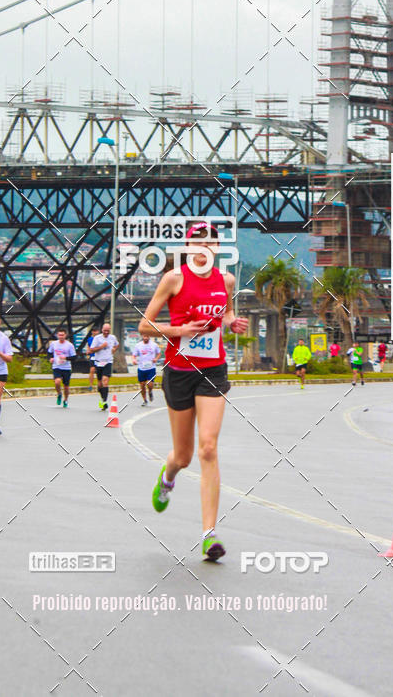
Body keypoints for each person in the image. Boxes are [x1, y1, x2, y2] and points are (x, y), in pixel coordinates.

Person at [139, 221, 248, 562]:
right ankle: (168, 476)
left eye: (210, 242)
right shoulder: (174, 279)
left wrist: (232, 322)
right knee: (183, 456)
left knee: (209, 448)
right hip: (180, 371)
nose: (204, 248)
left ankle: (208, 534)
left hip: (212, 370)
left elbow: (227, 311)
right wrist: (179, 329)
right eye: (197, 243)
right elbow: (145, 324)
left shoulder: (226, 281)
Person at [87, 322, 119, 410]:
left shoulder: (113, 338)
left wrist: (114, 350)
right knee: (100, 384)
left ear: (110, 330)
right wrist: (102, 346)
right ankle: (102, 398)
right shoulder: (97, 338)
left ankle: (104, 401)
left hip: (108, 361)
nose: (106, 332)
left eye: (108, 331)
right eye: (105, 331)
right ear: (102, 330)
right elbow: (91, 350)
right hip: (98, 362)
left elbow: (117, 344)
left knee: (105, 381)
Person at [48, 328, 76, 407]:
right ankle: (59, 394)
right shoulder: (54, 344)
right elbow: (49, 353)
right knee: (57, 382)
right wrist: (51, 358)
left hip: (66, 367)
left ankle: (66, 400)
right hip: (57, 366)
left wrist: (65, 358)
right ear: (57, 335)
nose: (61, 337)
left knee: (66, 387)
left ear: (65, 335)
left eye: (62, 335)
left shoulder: (69, 345)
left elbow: (74, 357)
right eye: (59, 335)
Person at [132, 335, 161, 406]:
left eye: (147, 336)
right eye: (144, 336)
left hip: (151, 368)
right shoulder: (138, 345)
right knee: (142, 385)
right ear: (142, 336)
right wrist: (134, 360)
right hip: (141, 368)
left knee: (150, 384)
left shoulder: (154, 345)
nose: (146, 338)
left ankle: (150, 392)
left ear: (149, 337)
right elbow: (134, 355)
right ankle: (145, 400)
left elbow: (159, 353)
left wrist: (156, 359)